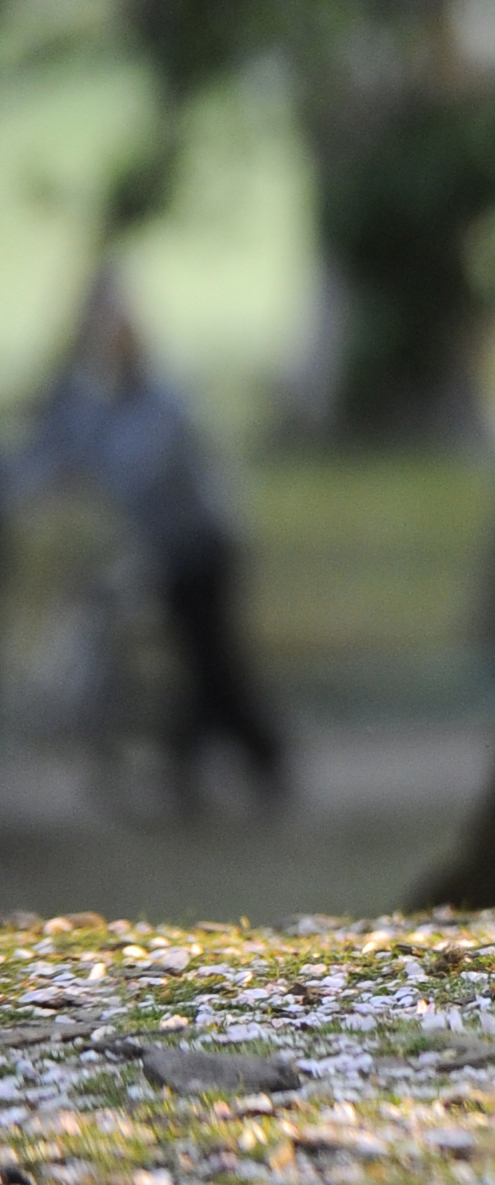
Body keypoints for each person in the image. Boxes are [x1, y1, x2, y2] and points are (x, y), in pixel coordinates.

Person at [2, 273, 290, 815]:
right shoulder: (110, 405)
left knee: (213, 661)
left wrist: (75, 474)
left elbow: (138, 468)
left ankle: (253, 758)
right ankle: (203, 764)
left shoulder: (165, 400)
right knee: (204, 661)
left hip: (203, 548)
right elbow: (60, 453)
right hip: (170, 552)